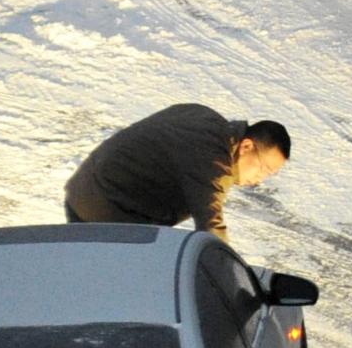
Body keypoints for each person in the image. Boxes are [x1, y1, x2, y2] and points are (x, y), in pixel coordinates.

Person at [64, 104, 290, 244]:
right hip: (106, 209)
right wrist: (229, 277)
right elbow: (210, 224)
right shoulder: (214, 157)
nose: (260, 180)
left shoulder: (205, 117)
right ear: (247, 146)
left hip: (89, 191)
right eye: (264, 169)